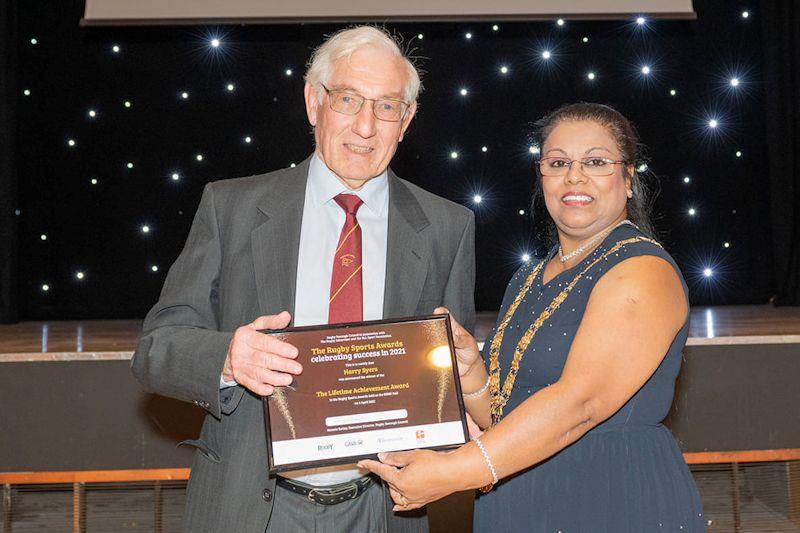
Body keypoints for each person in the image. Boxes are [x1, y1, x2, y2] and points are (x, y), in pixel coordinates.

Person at [131, 25, 475, 533]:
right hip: (254, 506)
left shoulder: (448, 227)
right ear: (314, 102)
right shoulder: (232, 209)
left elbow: (454, 389)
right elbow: (155, 351)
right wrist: (228, 358)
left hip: (381, 508)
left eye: (385, 107)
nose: (365, 126)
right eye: (348, 100)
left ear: (407, 119)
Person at [360, 103, 706, 532]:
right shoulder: (528, 276)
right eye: (558, 162)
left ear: (629, 178)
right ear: (541, 174)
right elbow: (508, 417)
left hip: (610, 499)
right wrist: (472, 376)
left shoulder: (642, 269)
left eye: (596, 162)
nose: (574, 176)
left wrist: (453, 473)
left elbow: (580, 404)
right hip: (519, 497)